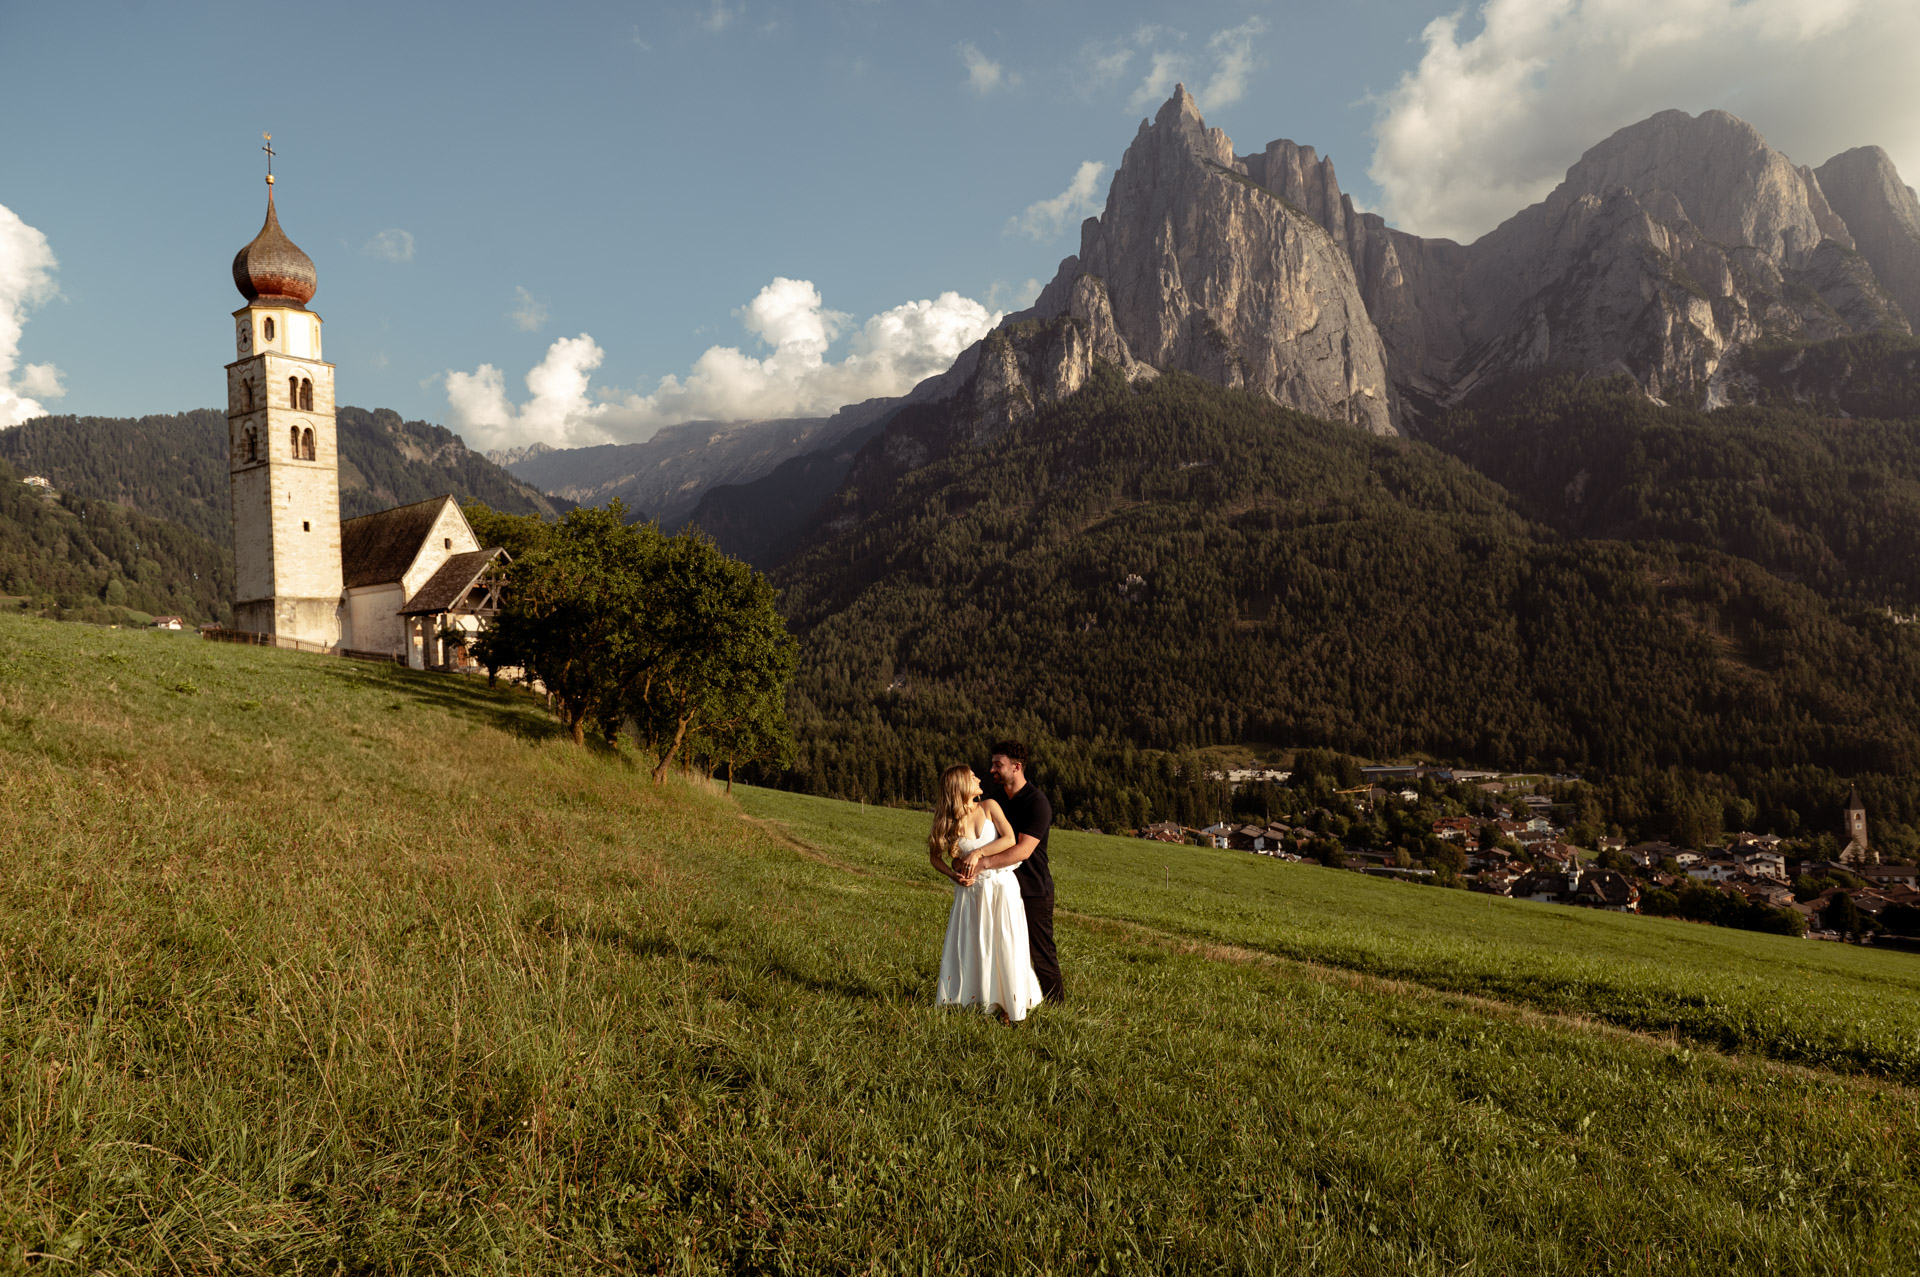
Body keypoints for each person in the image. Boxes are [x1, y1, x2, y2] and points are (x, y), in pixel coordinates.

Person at [930, 764, 1044, 1021]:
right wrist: (954, 875)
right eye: (972, 777)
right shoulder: (948, 822)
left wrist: (978, 852)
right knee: (976, 946)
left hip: (1002, 888)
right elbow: (934, 857)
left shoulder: (990, 806)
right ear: (960, 785)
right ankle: (977, 1001)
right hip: (971, 895)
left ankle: (1009, 1006)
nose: (979, 778)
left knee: (1005, 943)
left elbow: (1010, 840)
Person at [974, 740, 1063, 1004]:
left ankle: (1057, 1008)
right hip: (1002, 888)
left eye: (998, 765)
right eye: (992, 764)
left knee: (1041, 953)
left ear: (1017, 767)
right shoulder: (997, 800)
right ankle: (1006, 1002)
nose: (992, 770)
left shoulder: (1037, 803)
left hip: (1034, 890)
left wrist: (983, 863)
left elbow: (1023, 851)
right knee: (1004, 949)